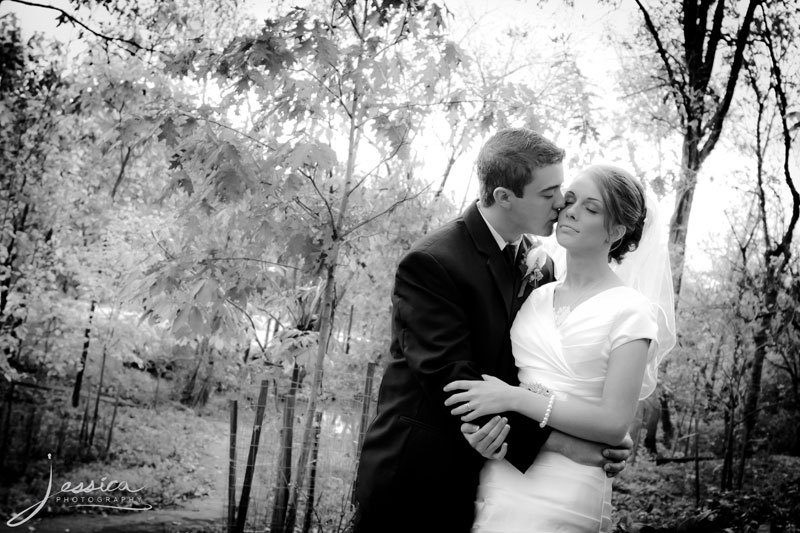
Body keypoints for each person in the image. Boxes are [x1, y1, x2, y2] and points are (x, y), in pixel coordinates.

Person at [352, 130, 634, 533]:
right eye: (549, 192)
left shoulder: (542, 265)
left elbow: (533, 370)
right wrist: (566, 445)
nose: (561, 203)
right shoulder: (432, 262)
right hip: (418, 479)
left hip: (494, 477)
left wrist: (593, 424)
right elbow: (453, 381)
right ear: (504, 197)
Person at [444, 164, 676, 532]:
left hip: (570, 486)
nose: (570, 210)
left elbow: (614, 424)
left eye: (591, 208)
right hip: (504, 471)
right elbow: (497, 376)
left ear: (615, 231)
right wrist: (485, 427)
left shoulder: (631, 311)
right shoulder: (537, 295)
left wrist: (514, 399)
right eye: (570, 200)